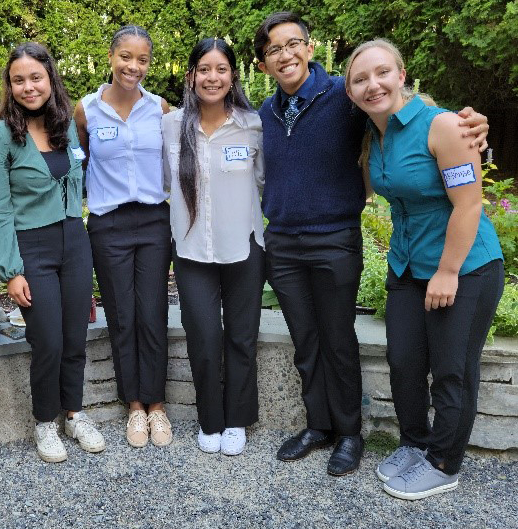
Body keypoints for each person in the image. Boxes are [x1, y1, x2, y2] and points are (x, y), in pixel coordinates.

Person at [253, 11, 490, 476]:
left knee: (338, 340)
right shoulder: (264, 112)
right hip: (283, 242)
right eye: (273, 49)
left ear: (310, 46)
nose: (285, 54)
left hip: (334, 240)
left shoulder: (344, 97)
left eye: (292, 43)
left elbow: (417, 120)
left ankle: (348, 434)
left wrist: (477, 135)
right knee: (306, 341)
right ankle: (318, 425)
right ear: (263, 64)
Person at [344, 39, 504, 500]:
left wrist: (448, 271)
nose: (372, 84)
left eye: (381, 73)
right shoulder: (373, 138)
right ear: (351, 93)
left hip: (465, 266)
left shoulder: (445, 127)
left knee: (452, 369)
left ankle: (444, 462)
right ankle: (414, 443)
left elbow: (470, 204)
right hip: (407, 268)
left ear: (401, 74)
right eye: (359, 79)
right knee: (404, 363)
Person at [0, 42, 105, 463]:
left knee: (74, 337)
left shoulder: (65, 125)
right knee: (48, 339)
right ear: (10, 85)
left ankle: (74, 412)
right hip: (31, 247)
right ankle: (45, 422)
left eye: (36, 77)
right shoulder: (0, 136)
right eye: (19, 80)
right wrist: (11, 271)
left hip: (74, 238)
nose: (29, 86)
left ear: (50, 79)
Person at [162, 38, 265, 455]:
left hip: (244, 246)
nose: (212, 77)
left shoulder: (253, 125)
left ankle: (237, 419)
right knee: (203, 337)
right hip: (190, 252)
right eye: (204, 69)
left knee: (241, 336)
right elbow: (162, 183)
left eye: (221, 69)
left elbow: (265, 181)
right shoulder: (170, 126)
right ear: (191, 76)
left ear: (233, 76)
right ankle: (210, 419)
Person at [73, 25, 174, 448]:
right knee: (122, 313)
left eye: (142, 59)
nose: (133, 66)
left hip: (153, 221)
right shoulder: (86, 111)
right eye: (126, 57)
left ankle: (157, 405)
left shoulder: (162, 109)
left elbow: (176, 163)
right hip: (108, 224)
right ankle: (134, 405)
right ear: (111, 57)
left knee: (152, 312)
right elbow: (79, 164)